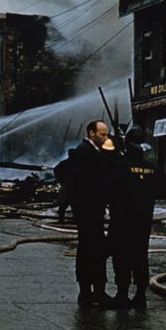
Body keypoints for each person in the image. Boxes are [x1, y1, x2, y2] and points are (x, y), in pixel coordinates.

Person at [104, 126, 159, 310]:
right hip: (143, 222)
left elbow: (109, 191)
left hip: (122, 221)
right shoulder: (152, 168)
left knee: (121, 258)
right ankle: (140, 296)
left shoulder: (120, 166)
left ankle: (122, 295)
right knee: (140, 257)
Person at [70, 120, 113, 307]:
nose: (106, 138)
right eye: (102, 134)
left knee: (89, 249)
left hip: (88, 210)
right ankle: (95, 292)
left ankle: (88, 292)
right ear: (91, 133)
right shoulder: (85, 152)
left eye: (106, 134)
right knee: (94, 250)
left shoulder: (89, 152)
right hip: (89, 210)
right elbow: (87, 184)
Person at [53, 147, 77, 222]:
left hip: (69, 185)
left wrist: (60, 179)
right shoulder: (76, 163)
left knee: (66, 202)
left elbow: (56, 170)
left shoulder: (65, 163)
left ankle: (62, 218)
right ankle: (70, 218)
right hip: (71, 186)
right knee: (72, 202)